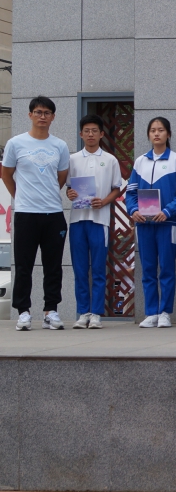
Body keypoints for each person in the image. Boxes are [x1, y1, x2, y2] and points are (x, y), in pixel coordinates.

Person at [2, 97, 71, 331]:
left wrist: (47, 194)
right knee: (24, 266)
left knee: (53, 266)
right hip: (25, 214)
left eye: (47, 113)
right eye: (38, 112)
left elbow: (60, 178)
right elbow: (6, 174)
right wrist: (20, 196)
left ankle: (51, 311)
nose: (42, 116)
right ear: (30, 114)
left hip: (53, 214)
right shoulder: (15, 143)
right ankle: (23, 312)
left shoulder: (60, 145)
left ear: (53, 117)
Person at [125, 116, 176, 328]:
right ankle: (151, 312)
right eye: (153, 130)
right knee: (148, 269)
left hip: (167, 224)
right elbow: (130, 193)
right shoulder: (140, 161)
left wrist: (168, 211)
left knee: (167, 268)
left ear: (168, 134)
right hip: (144, 224)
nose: (157, 133)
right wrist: (133, 210)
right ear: (148, 134)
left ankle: (165, 312)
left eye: (161, 130)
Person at [65, 114, 124, 329]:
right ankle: (83, 312)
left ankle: (97, 313)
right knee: (80, 269)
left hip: (100, 221)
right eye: (87, 131)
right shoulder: (72, 159)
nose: (90, 134)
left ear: (101, 134)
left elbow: (117, 188)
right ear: (81, 134)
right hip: (77, 220)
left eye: (94, 131)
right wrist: (70, 194)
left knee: (98, 268)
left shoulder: (110, 160)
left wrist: (104, 201)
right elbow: (69, 188)